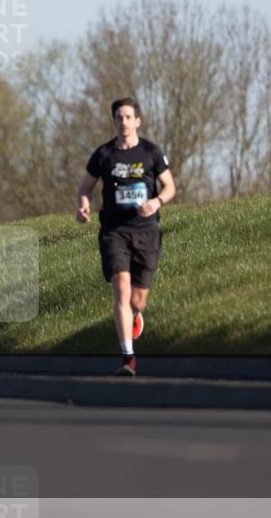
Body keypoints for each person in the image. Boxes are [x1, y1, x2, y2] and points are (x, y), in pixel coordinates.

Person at [76, 97, 176, 377]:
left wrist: (156, 202)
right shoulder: (104, 155)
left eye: (128, 117)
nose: (124, 122)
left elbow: (169, 187)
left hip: (146, 230)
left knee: (137, 300)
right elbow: (85, 188)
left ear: (137, 121)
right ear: (114, 121)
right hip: (114, 230)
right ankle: (127, 357)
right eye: (119, 117)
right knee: (121, 286)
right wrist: (83, 205)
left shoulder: (151, 152)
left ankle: (136, 314)